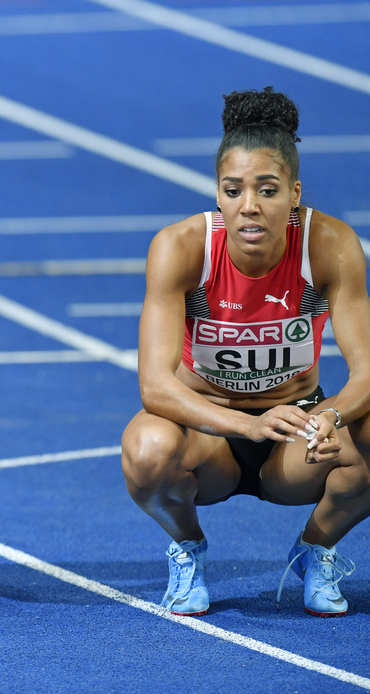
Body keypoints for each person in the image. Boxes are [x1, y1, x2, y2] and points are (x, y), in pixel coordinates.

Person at [121, 87, 370, 617]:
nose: (249, 206)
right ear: (218, 194)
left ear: (295, 193)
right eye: (233, 190)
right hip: (208, 431)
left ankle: (316, 549)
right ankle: (188, 547)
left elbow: (368, 369)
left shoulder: (330, 244)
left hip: (298, 433)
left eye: (268, 189)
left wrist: (329, 416)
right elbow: (155, 386)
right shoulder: (181, 247)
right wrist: (245, 425)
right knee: (145, 449)